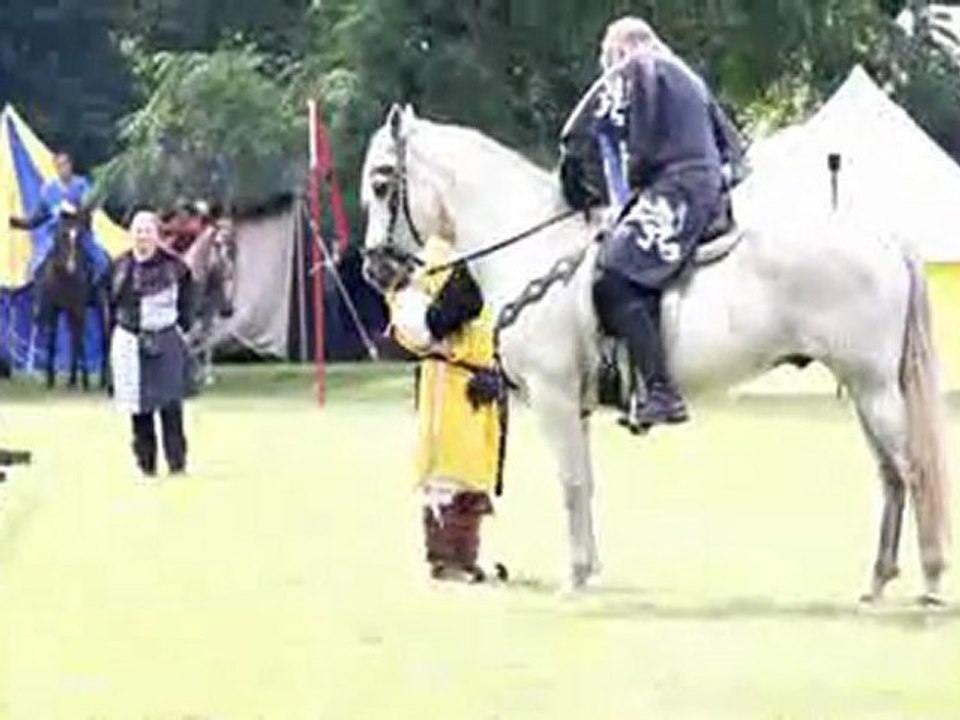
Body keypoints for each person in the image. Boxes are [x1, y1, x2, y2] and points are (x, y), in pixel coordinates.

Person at [560, 16, 746, 432]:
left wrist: (573, 174)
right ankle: (641, 386)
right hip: (702, 187)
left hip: (679, 189)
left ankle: (661, 391)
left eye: (609, 61)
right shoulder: (687, 77)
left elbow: (583, 125)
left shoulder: (640, 65)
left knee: (614, 275)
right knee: (631, 263)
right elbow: (734, 148)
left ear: (622, 50)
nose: (609, 71)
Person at [387, 236, 507, 583]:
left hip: (481, 380)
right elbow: (419, 330)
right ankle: (446, 560)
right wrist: (448, 307)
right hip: (449, 380)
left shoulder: (478, 250)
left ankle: (470, 556)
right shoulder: (422, 267)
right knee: (447, 473)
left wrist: (497, 371)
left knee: (475, 474)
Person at [109, 210, 194, 477]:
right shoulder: (120, 266)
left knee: (170, 406)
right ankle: (146, 465)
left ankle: (177, 463)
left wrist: (179, 328)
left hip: (165, 338)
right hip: (131, 342)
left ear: (156, 235)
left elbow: (188, 303)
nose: (142, 237)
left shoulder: (176, 267)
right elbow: (110, 303)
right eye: (138, 231)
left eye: (147, 231)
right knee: (139, 408)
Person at [8, 152, 107, 281]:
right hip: (56, 234)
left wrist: (75, 208)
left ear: (71, 165)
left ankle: (99, 293)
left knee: (102, 261)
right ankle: (35, 296)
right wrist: (17, 223)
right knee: (35, 265)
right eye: (59, 165)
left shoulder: (82, 185)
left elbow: (90, 205)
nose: (63, 168)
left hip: (79, 232)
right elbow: (36, 219)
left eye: (65, 164)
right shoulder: (48, 191)